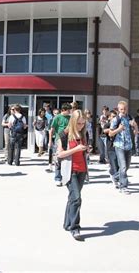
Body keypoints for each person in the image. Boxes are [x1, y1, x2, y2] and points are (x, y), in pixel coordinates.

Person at [57, 109, 88, 241]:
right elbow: (60, 154)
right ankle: (75, 228)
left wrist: (87, 150)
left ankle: (67, 223)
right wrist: (75, 149)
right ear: (73, 122)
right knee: (76, 198)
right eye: (79, 123)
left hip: (82, 170)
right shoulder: (64, 135)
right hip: (70, 171)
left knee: (72, 198)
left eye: (83, 123)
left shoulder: (83, 134)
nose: (81, 126)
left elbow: (83, 151)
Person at [109, 101, 136, 194]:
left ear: (126, 108)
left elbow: (136, 132)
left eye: (124, 109)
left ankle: (115, 177)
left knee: (126, 167)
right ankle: (123, 186)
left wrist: (135, 126)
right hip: (119, 145)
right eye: (121, 109)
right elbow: (110, 133)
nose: (123, 111)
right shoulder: (116, 119)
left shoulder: (130, 118)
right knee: (123, 167)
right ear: (118, 109)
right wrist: (119, 129)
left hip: (129, 146)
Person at [49, 103, 72, 186]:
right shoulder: (57, 117)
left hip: (68, 139)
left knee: (67, 159)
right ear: (63, 110)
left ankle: (66, 177)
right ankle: (58, 178)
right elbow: (51, 130)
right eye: (68, 110)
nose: (70, 112)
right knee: (58, 159)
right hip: (59, 139)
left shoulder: (70, 118)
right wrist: (50, 141)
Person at [103, 109, 120, 188]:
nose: (114, 118)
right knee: (113, 164)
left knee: (119, 164)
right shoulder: (108, 124)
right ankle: (114, 176)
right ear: (109, 117)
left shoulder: (118, 124)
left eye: (115, 116)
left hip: (119, 147)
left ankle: (115, 175)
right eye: (112, 117)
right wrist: (112, 129)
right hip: (110, 147)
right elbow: (104, 130)